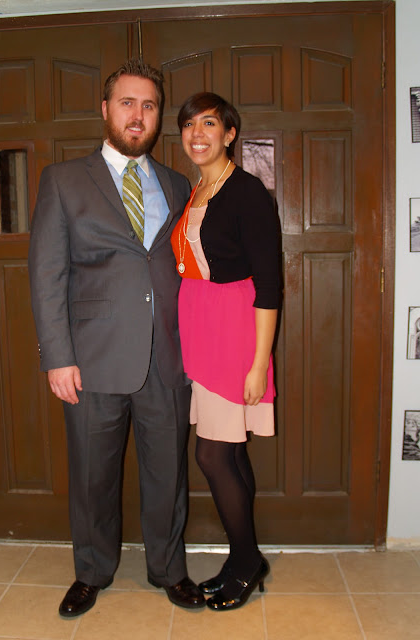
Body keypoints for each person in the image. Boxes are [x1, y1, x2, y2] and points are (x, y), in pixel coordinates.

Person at [28, 59, 205, 617]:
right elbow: (47, 274)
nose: (138, 115)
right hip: (92, 360)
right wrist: (57, 357)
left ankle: (168, 570)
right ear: (106, 110)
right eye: (127, 103)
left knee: (167, 474)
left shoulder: (177, 184)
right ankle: (92, 572)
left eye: (149, 105)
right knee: (92, 476)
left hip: (166, 358)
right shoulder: (63, 180)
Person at [171, 92, 282, 611]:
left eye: (210, 123)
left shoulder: (247, 191)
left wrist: (259, 364)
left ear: (230, 133)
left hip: (233, 335)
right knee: (231, 450)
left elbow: (269, 285)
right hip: (202, 332)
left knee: (211, 454)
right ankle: (245, 558)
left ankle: (245, 561)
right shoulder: (198, 189)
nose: (198, 134)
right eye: (189, 124)